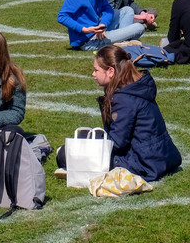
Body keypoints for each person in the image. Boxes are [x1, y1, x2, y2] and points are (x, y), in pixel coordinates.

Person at [56, 45, 182, 182]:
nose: (93, 74)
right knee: (83, 141)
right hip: (162, 155)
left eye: (96, 70)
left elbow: (116, 143)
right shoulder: (135, 86)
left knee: (66, 153)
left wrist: (89, 148)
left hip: (145, 163)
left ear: (110, 71)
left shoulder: (123, 99)